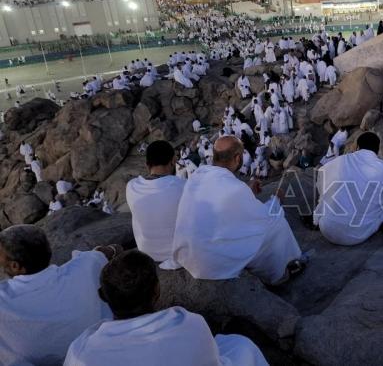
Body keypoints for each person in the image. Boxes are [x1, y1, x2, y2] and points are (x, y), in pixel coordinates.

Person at [64, 250, 268, 366]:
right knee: (240, 346)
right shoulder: (190, 325)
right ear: (157, 291)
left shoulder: (80, 353)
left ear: (103, 297)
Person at [170, 136, 303, 285]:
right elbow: (265, 218)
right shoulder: (234, 188)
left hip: (186, 254)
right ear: (238, 158)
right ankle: (278, 275)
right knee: (277, 223)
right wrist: (276, 199)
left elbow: (221, 199)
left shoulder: (197, 177)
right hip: (209, 265)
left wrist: (246, 190)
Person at [0, 225, 118, 365]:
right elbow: (110, 250)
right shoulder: (85, 266)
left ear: (15, 266)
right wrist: (111, 250)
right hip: (102, 350)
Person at [313, 132, 383, 246]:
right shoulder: (382, 167)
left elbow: (322, 172)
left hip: (327, 229)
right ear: (377, 150)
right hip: (357, 235)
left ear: (357, 147)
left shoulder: (341, 160)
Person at [126, 141, 186, 263]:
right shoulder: (183, 187)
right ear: (173, 161)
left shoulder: (131, 186)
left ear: (147, 165)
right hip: (178, 255)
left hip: (147, 253)